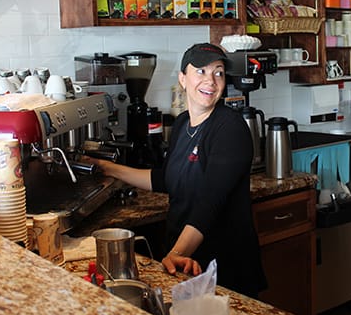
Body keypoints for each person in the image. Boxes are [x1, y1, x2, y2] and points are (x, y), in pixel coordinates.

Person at [85, 43, 267, 298]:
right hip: (186, 262)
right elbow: (168, 178)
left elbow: (210, 202)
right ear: (183, 79)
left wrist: (176, 253)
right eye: (201, 72)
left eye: (218, 73)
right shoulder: (182, 124)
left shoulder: (230, 128)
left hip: (224, 267)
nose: (211, 81)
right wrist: (108, 168)